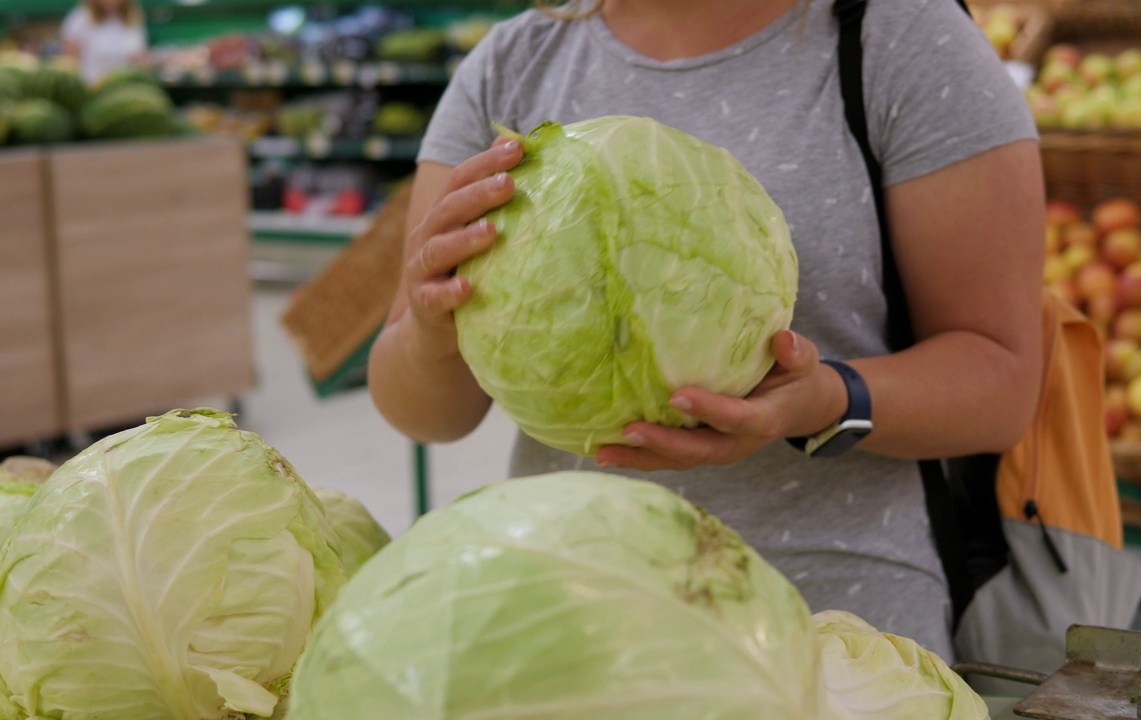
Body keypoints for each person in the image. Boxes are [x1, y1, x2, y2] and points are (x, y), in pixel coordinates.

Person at [370, 0, 1045, 662]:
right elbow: (425, 413)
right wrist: (431, 329)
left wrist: (824, 403)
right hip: (576, 615)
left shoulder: (902, 38)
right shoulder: (513, 61)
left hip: (835, 634)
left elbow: (1001, 380)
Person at [61, 0, 148, 86]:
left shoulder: (133, 19)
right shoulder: (78, 19)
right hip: (89, 88)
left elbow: (137, 59)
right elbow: (70, 63)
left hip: (123, 88)